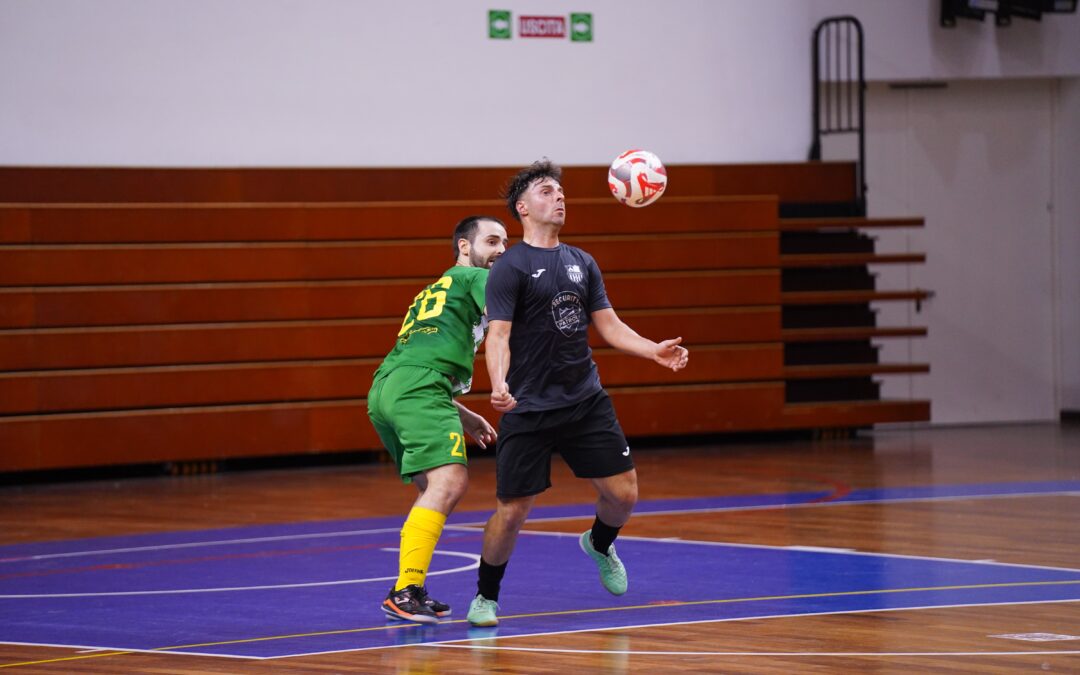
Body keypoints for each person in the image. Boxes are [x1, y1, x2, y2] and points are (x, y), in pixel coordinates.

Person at [466, 159, 689, 627]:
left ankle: (600, 543)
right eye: (547, 191)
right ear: (523, 208)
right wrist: (500, 384)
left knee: (623, 495)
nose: (560, 197)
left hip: (584, 400)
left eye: (561, 191)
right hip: (528, 407)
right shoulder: (509, 267)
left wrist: (654, 350)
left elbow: (608, 326)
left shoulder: (581, 262)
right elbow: (499, 336)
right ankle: (486, 597)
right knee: (512, 512)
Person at [368, 215, 508, 624]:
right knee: (450, 481)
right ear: (465, 247)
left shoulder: (438, 286)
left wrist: (459, 411)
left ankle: (409, 586)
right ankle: (405, 589)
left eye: (505, 243)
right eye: (492, 241)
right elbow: (505, 327)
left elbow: (420, 355)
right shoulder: (477, 280)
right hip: (420, 389)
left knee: (433, 486)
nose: (501, 250)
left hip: (389, 387)